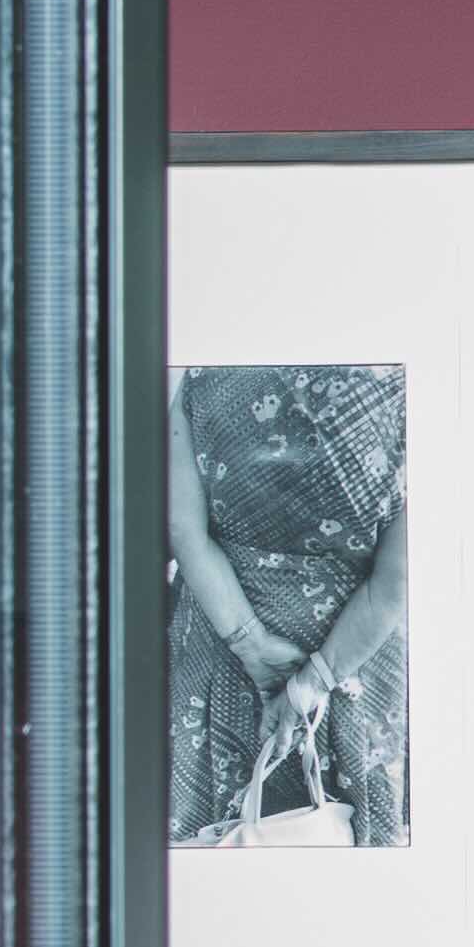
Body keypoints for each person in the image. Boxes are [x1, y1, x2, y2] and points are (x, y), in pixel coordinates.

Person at [170, 359, 407, 849]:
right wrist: (317, 676)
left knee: (212, 856)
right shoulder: (404, 387)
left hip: (219, 641)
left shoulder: (206, 373)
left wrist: (251, 643)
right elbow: (396, 579)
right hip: (356, 659)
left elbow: (183, 530)